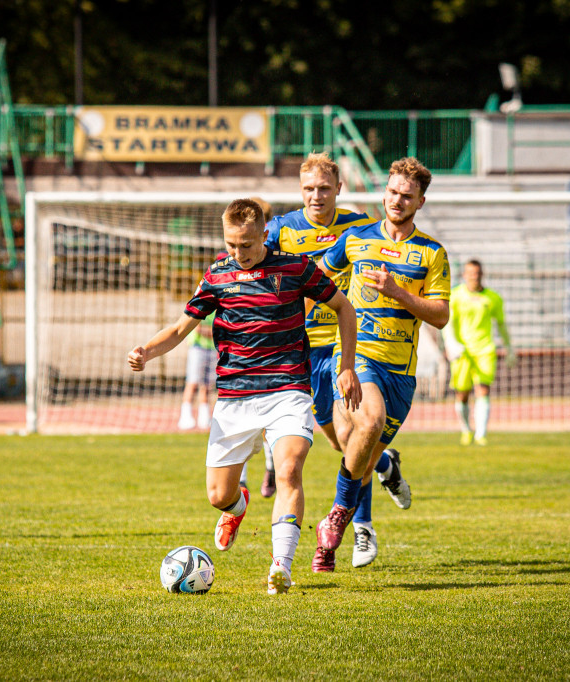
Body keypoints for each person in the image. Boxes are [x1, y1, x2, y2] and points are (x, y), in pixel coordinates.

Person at [128, 198, 361, 594]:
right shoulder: (217, 274)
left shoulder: (295, 268)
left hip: (287, 389)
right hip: (235, 397)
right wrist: (146, 351)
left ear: (264, 234)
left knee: (289, 470)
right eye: (232, 244)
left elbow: (344, 308)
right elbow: (181, 328)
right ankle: (238, 506)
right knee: (218, 495)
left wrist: (347, 367)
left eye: (247, 245)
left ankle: (281, 568)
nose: (239, 253)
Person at [311, 157, 451, 572]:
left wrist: (399, 293)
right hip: (356, 356)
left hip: (401, 373)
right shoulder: (356, 239)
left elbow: (441, 315)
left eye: (407, 196)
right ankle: (338, 518)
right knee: (368, 424)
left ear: (420, 202)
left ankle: (332, 536)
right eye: (392, 192)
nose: (397, 200)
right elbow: (315, 278)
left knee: (365, 460)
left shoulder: (432, 253)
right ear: (384, 193)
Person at [262, 153, 391, 507]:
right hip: (303, 349)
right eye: (308, 189)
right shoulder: (280, 229)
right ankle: (384, 461)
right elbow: (258, 273)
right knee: (337, 441)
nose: (315, 196)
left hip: (345, 345)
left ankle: (361, 527)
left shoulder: (359, 225)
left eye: (323, 188)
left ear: (338, 188)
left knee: (353, 433)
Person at [443, 259, 515, 446]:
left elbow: (501, 324)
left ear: (482, 274)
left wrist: (509, 348)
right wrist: (451, 344)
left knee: (483, 389)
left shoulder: (493, 298)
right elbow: (447, 322)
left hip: (484, 350)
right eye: (470, 273)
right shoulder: (456, 295)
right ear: (464, 275)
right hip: (462, 351)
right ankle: (466, 430)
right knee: (462, 393)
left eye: (477, 273)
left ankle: (481, 434)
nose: (474, 276)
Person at [177, 311, 217, 430]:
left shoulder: (217, 309)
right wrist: (215, 332)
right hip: (198, 348)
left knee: (207, 385)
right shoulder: (201, 306)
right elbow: (198, 328)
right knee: (192, 382)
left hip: (212, 348)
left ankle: (204, 417)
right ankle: (185, 416)